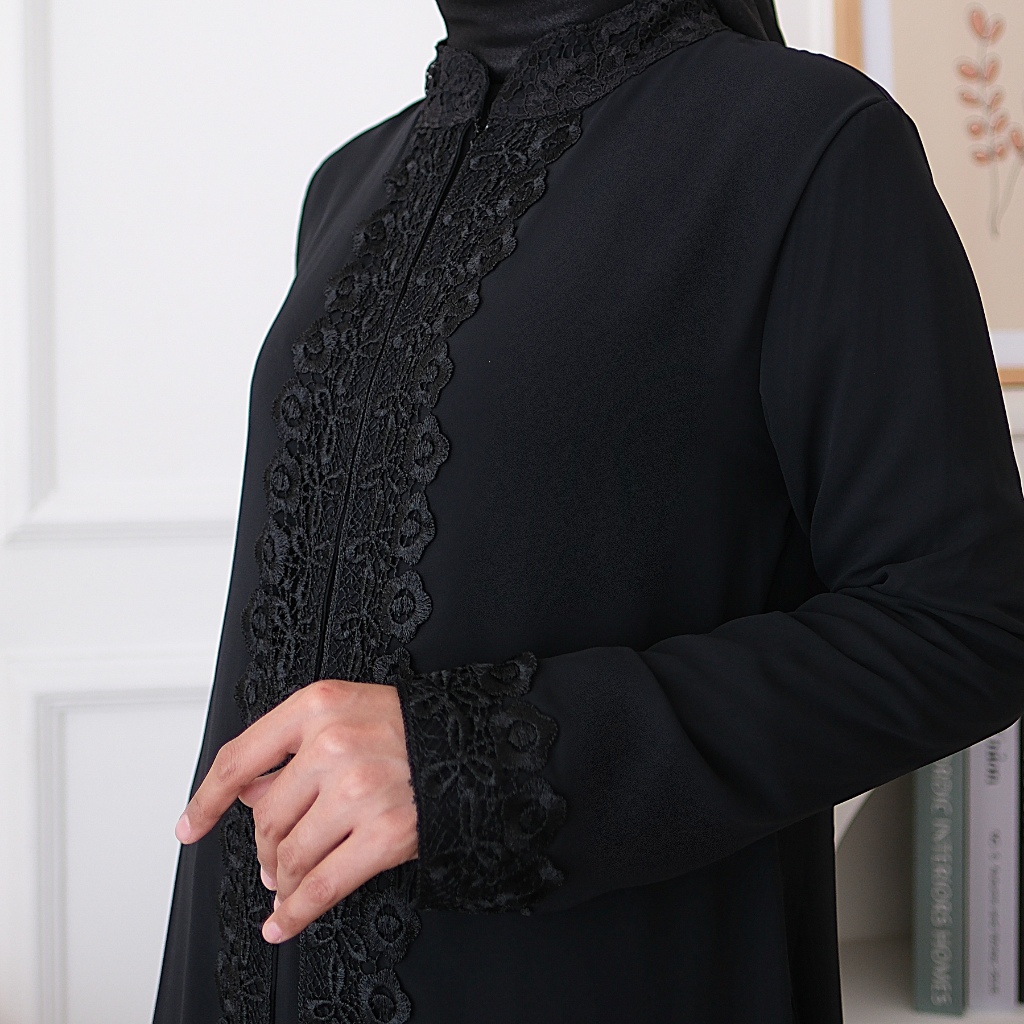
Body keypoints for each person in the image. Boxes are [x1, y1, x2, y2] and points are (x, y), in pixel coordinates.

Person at [152, 1, 1024, 1021]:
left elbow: (962, 622)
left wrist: (471, 764)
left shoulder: (808, 143)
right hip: (253, 971)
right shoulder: (348, 182)